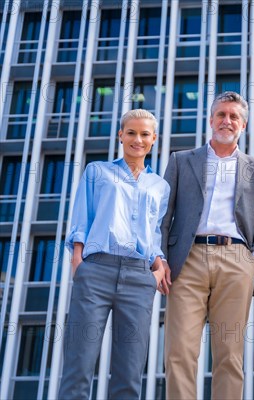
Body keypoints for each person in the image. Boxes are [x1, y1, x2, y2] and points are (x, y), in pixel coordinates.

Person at [160, 91, 254, 399]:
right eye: (221, 115)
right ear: (211, 120)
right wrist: (161, 259)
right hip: (187, 259)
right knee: (179, 352)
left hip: (237, 260)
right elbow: (164, 214)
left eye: (234, 116)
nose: (227, 121)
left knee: (229, 355)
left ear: (243, 125)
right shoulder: (181, 161)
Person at [59, 109, 169, 399]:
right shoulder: (97, 172)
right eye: (131, 132)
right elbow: (82, 219)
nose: (138, 139)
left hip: (138, 276)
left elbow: (153, 232)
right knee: (79, 363)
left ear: (154, 139)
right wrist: (78, 262)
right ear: (120, 135)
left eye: (145, 134)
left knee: (130, 370)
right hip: (96, 271)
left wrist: (158, 267)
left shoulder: (160, 186)